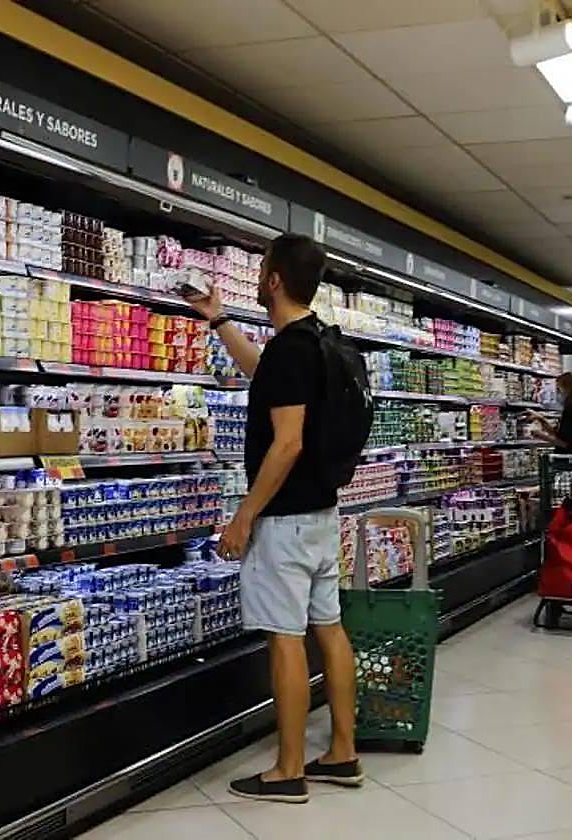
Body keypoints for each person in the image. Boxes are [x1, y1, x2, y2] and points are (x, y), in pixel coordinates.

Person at [191, 233, 362, 804]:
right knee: (329, 628)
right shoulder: (320, 341)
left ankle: (288, 770)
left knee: (285, 639)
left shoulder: (292, 350)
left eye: (263, 267)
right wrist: (219, 320)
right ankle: (342, 752)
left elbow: (287, 443)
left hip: (285, 521)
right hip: (321, 514)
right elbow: (264, 376)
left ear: (273, 280)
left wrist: (244, 516)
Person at [526, 372, 572, 453]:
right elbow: (560, 436)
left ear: (569, 390)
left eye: (558, 389)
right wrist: (541, 419)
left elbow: (571, 446)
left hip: (570, 458)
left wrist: (542, 436)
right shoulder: (571, 409)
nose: (556, 393)